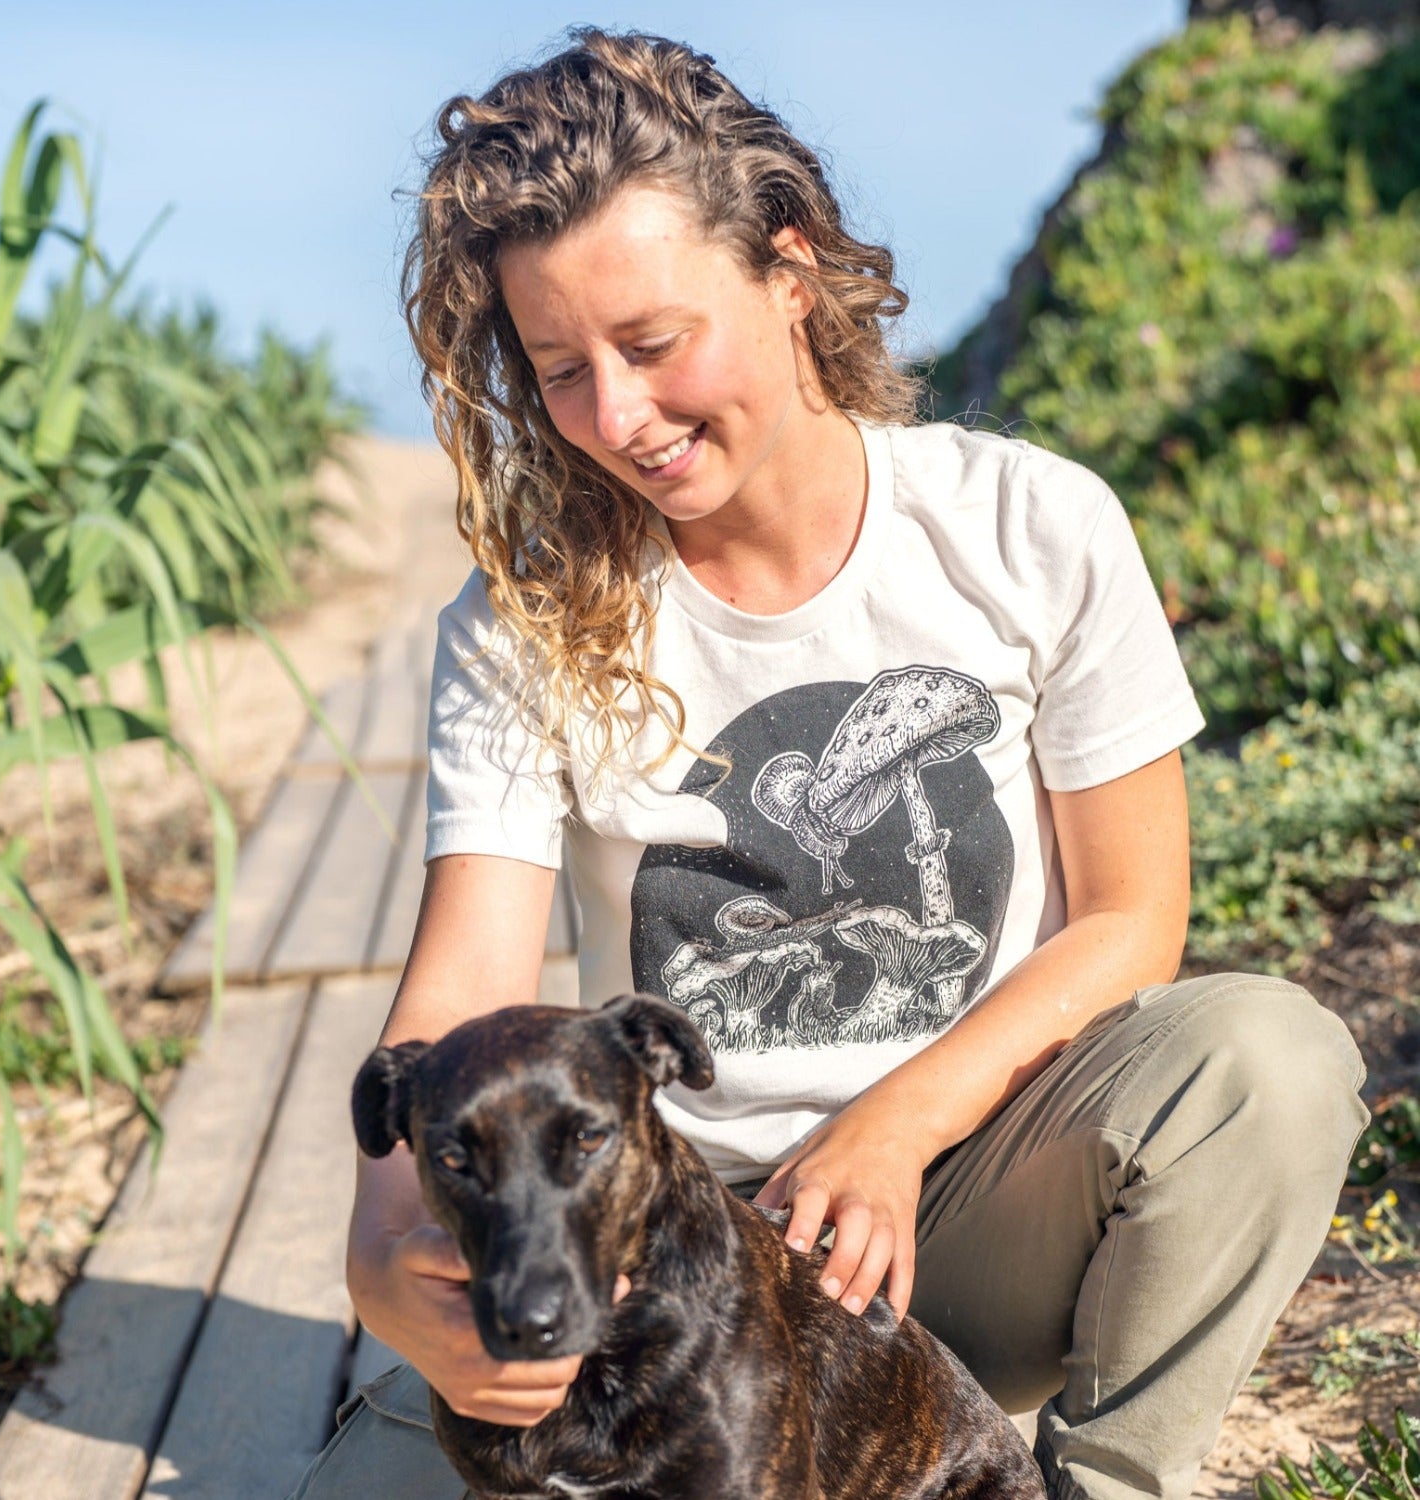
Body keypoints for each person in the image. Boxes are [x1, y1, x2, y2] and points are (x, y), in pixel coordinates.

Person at [291, 28, 1366, 1500]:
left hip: (975, 1207)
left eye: (654, 345)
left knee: (1267, 1062)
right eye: (559, 371)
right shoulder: (523, 621)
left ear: (790, 271)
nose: (617, 418)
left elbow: (1135, 919)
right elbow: (469, 983)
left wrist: (893, 1126)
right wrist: (378, 1251)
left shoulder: (1028, 529)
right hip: (657, 1258)